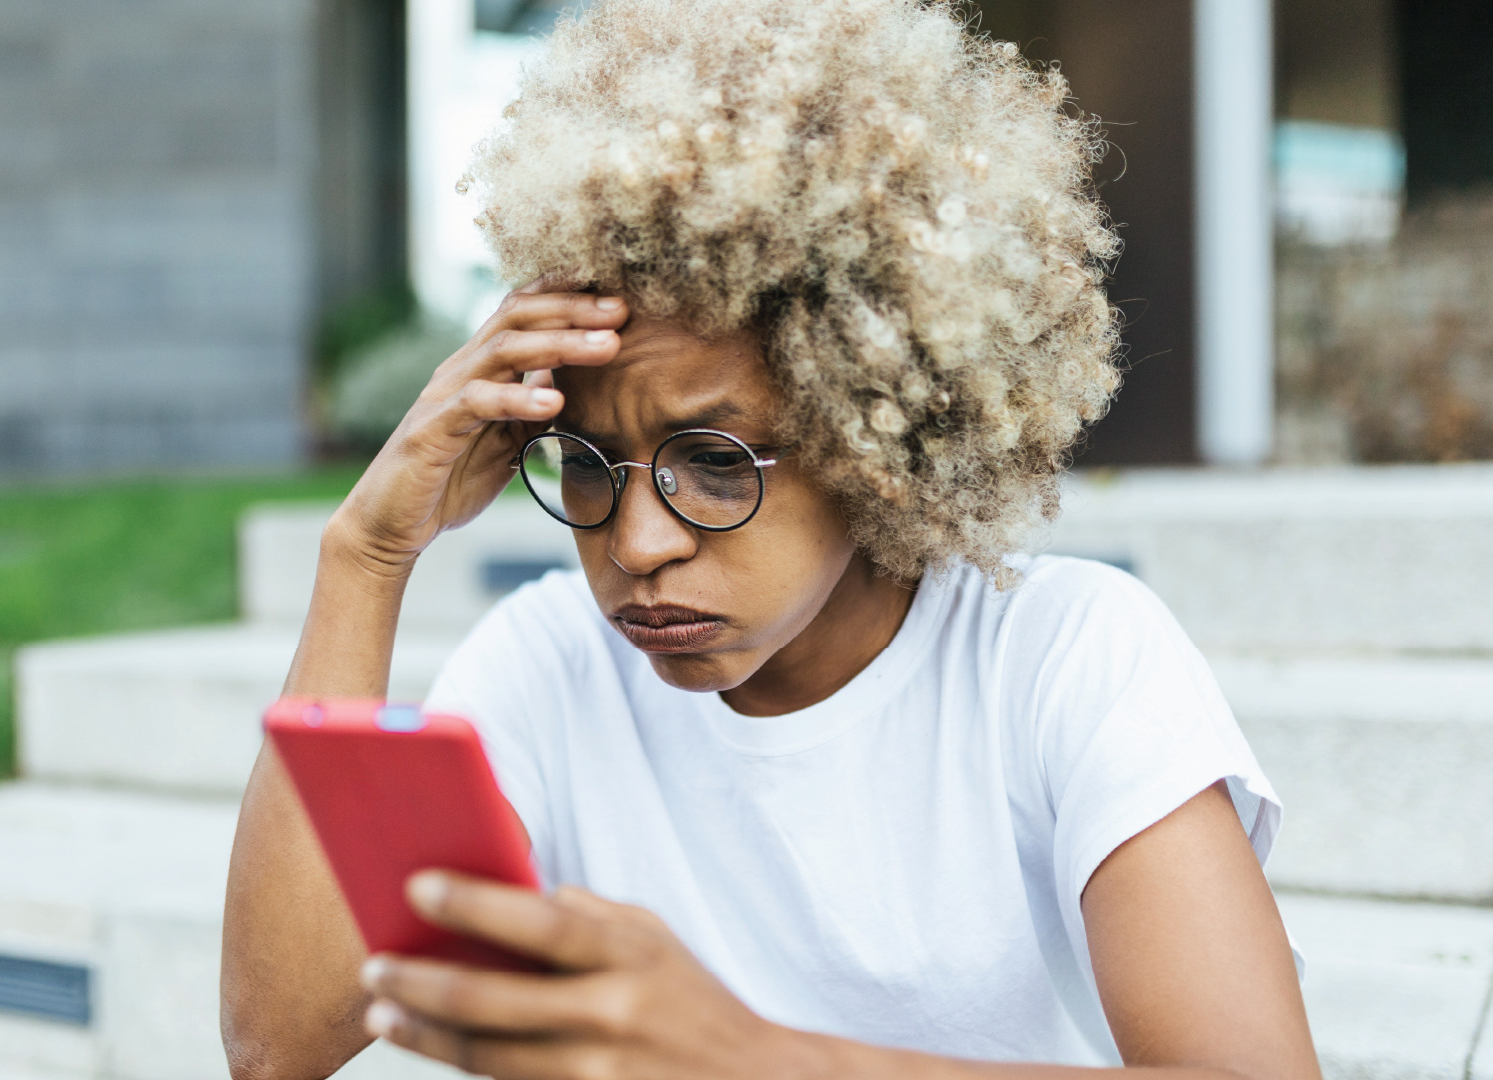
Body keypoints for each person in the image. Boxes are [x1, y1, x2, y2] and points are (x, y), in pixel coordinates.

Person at [222, 1, 1319, 1077]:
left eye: (715, 464)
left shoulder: (1063, 659)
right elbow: (280, 1047)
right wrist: (365, 557)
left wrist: (743, 1057)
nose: (640, 542)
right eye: (591, 464)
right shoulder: (553, 665)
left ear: (875, 434)